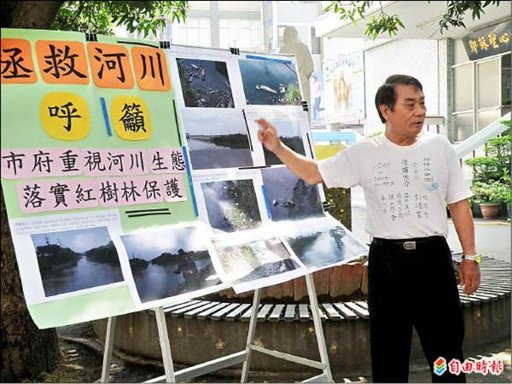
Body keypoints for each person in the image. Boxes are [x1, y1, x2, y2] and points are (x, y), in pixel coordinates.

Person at [256, 74, 481, 383]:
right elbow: (312, 173)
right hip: (387, 263)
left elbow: (458, 203)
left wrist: (471, 256)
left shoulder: (440, 147)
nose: (420, 112)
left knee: (447, 351)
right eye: (410, 104)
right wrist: (278, 146)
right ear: (385, 110)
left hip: (433, 260)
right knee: (389, 353)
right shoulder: (365, 152)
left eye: (422, 103)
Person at [279, 26, 314, 104]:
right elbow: (309, 69)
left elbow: (280, 70)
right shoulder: (304, 47)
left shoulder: (282, 50)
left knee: (292, 107)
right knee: (304, 106)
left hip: (289, 83)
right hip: (303, 82)